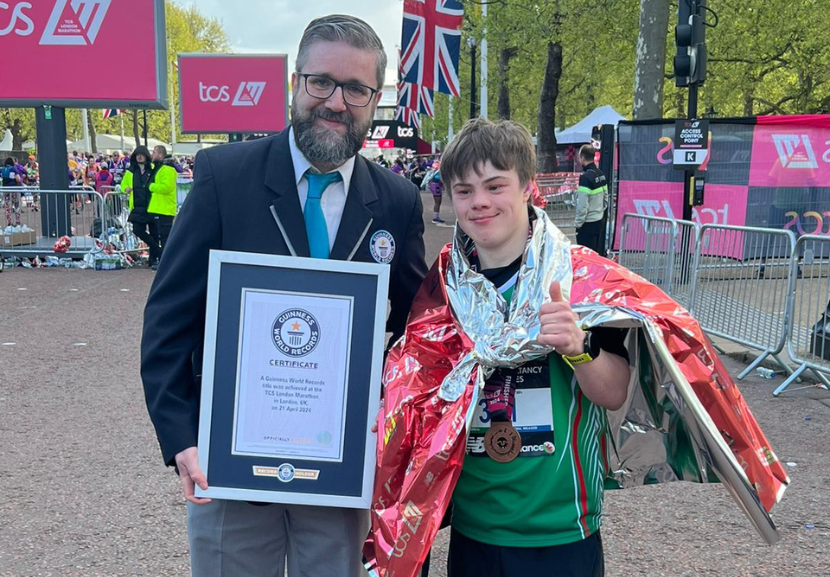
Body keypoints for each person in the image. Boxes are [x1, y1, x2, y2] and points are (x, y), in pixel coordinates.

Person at [140, 14, 427, 577]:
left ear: (374, 99)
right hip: (233, 461)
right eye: (321, 81)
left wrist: (387, 414)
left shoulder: (396, 200)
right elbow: (169, 320)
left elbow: (416, 327)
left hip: (344, 464)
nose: (336, 102)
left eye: (356, 89)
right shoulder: (225, 176)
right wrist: (182, 439)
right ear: (296, 83)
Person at [401, 119, 629, 577]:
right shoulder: (441, 290)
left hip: (560, 532)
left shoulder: (584, 279)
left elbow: (615, 393)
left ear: (527, 187)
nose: (479, 202)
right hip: (474, 530)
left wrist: (579, 346)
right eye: (464, 191)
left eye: (495, 185)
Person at [122, 146, 157, 266]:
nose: (139, 157)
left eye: (141, 154)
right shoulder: (131, 171)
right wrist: (125, 189)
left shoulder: (153, 169)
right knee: (137, 230)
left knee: (154, 233)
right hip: (137, 206)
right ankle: (157, 249)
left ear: (146, 156)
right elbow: (123, 185)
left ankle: (153, 259)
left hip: (151, 205)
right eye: (137, 155)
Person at [146, 145, 178, 268]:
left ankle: (166, 263)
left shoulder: (167, 170)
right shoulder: (158, 169)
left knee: (165, 238)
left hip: (164, 209)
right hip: (158, 208)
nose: (152, 154)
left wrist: (151, 186)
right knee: (159, 236)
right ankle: (162, 260)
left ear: (160, 155)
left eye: (154, 152)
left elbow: (167, 187)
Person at [575, 144, 608, 255]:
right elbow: (606, 198)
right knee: (597, 256)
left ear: (583, 158)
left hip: (587, 224)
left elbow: (582, 205)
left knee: (586, 258)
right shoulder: (601, 174)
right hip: (599, 221)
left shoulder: (585, 178)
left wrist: (578, 224)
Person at [2, 157, 22, 227]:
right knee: (17, 206)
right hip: (14, 190)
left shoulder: (2, 169)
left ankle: (9, 222)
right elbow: (18, 179)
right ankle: (17, 222)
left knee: (7, 207)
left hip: (5, 190)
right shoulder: (13, 169)